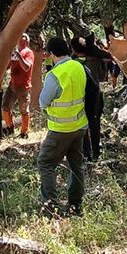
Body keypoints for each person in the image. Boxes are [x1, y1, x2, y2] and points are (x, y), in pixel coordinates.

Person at [37, 37, 95, 217]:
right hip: (79, 127)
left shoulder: (54, 74)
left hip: (60, 129)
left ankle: (51, 206)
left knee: (45, 163)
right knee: (76, 165)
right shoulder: (79, 67)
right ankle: (75, 205)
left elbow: (43, 102)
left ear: (52, 54)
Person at [71, 36, 105, 161]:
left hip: (81, 96)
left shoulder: (72, 62)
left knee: (82, 124)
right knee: (95, 123)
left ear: (73, 49)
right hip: (96, 95)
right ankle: (97, 151)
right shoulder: (96, 59)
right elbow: (102, 76)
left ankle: (86, 153)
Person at [2, 34, 35, 138]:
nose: (20, 36)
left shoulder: (29, 53)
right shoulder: (13, 52)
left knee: (24, 110)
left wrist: (19, 56)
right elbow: (6, 67)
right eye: (19, 36)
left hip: (23, 87)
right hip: (12, 85)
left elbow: (26, 67)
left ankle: (24, 133)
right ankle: (9, 128)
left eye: (23, 36)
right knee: (5, 107)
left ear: (27, 41)